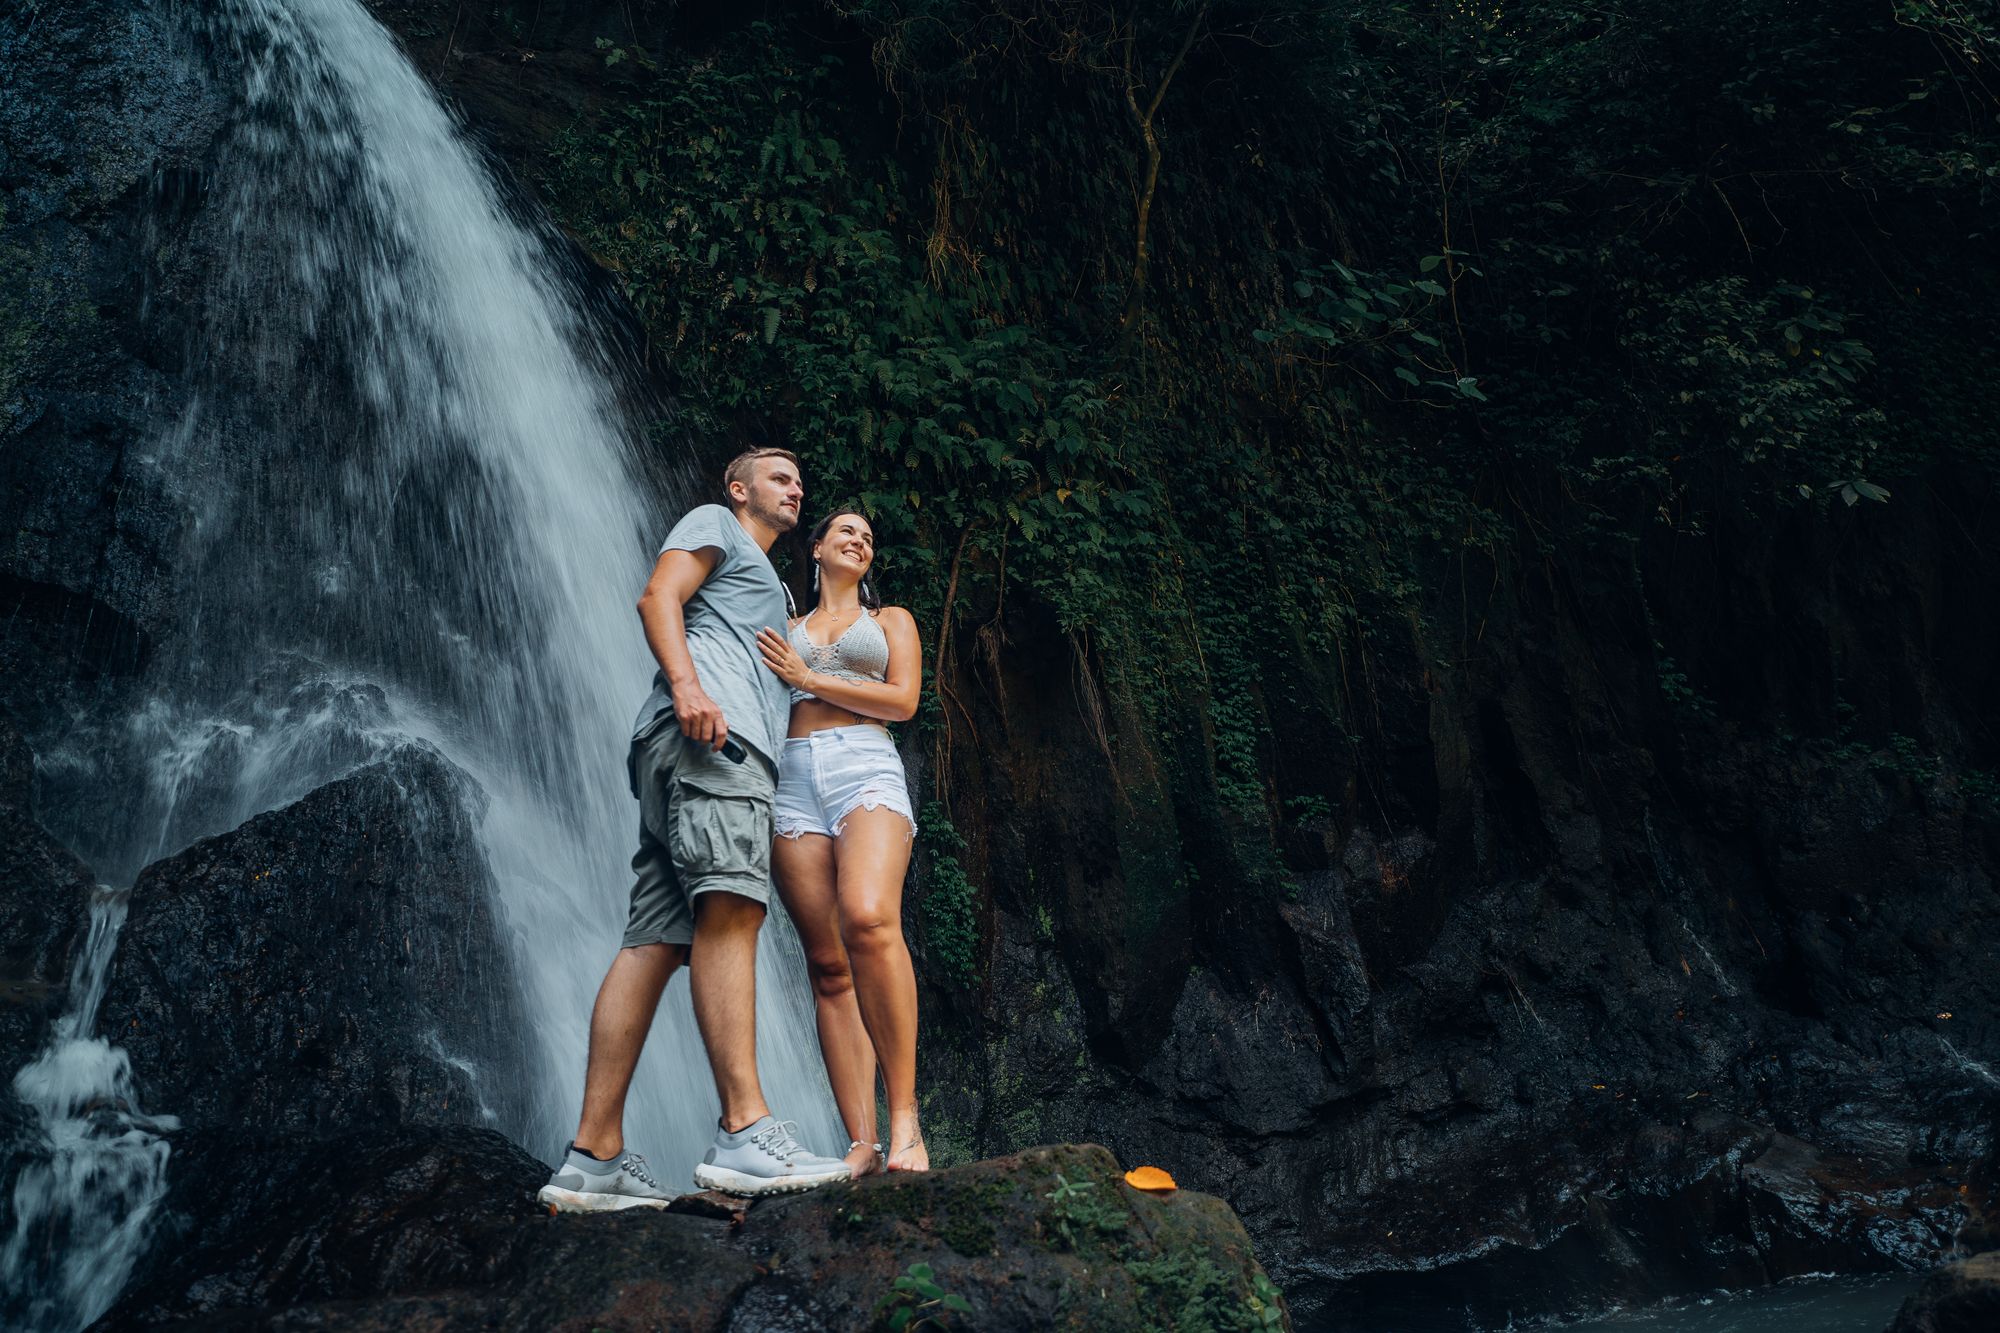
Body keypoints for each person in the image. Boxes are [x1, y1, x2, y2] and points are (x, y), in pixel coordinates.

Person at [539, 448, 851, 1211]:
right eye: (779, 476)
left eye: (800, 479)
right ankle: (745, 1127)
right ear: (739, 488)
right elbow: (657, 598)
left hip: (682, 755)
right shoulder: (717, 524)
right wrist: (688, 687)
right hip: (712, 744)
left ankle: (592, 1155)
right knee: (732, 909)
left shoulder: (773, 587)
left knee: (654, 941)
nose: (795, 486)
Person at [754, 508, 929, 1176]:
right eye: (846, 532)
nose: (860, 540)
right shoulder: (784, 629)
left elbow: (903, 700)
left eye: (869, 537)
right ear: (817, 548)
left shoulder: (891, 622)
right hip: (792, 776)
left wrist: (808, 681)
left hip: (864, 763)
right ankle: (861, 1140)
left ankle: (906, 1119)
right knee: (827, 963)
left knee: (869, 917)